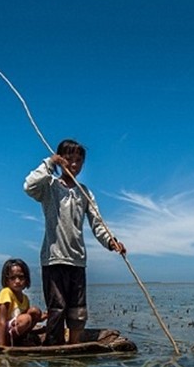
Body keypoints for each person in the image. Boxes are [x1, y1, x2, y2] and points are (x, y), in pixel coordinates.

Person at [24, 139, 125, 345]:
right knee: (57, 309)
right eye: (68, 159)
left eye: (79, 161)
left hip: (77, 261)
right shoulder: (49, 187)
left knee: (78, 313)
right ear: (60, 160)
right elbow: (29, 185)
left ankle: (75, 348)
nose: (74, 164)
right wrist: (50, 163)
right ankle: (56, 351)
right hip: (54, 260)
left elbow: (98, 224)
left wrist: (111, 241)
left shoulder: (85, 192)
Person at [0, 258, 44, 346]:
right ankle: (9, 342)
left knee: (35, 311)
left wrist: (45, 317)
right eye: (13, 278)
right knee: (25, 318)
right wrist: (2, 347)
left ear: (26, 279)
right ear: (7, 280)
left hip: (10, 331)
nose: (17, 281)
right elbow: (2, 322)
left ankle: (20, 338)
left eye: (21, 277)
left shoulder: (25, 298)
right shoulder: (6, 293)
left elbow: (25, 319)